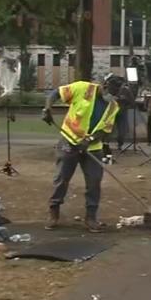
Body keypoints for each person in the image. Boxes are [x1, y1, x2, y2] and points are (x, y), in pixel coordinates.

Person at [42, 74, 123, 233]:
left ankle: (91, 217)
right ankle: (54, 211)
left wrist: (89, 140)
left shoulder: (113, 106)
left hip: (92, 147)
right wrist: (48, 108)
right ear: (104, 85)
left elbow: (105, 130)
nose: (112, 96)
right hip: (69, 141)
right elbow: (55, 93)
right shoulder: (83, 88)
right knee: (62, 178)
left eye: (115, 93)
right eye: (110, 91)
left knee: (94, 181)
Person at [114, 80, 136, 149]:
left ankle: (120, 143)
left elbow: (132, 102)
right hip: (112, 111)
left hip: (122, 111)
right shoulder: (112, 89)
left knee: (121, 128)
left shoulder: (126, 91)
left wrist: (125, 106)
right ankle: (106, 144)